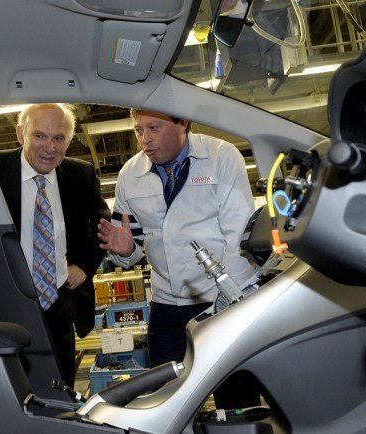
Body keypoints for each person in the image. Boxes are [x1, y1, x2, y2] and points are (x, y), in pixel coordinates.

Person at [97, 109, 259, 408]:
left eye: (154, 128)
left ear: (182, 122)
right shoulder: (130, 175)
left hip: (220, 298)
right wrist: (125, 252)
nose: (144, 139)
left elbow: (238, 235)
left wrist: (231, 301)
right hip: (167, 303)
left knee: (235, 394)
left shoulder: (221, 156)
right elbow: (131, 249)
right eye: (138, 130)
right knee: (164, 398)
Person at [0, 103, 111, 387]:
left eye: (58, 138)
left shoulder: (81, 175)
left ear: (69, 141)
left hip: (57, 306)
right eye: (39, 136)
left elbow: (101, 227)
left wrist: (84, 266)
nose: (49, 147)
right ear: (20, 134)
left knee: (58, 392)